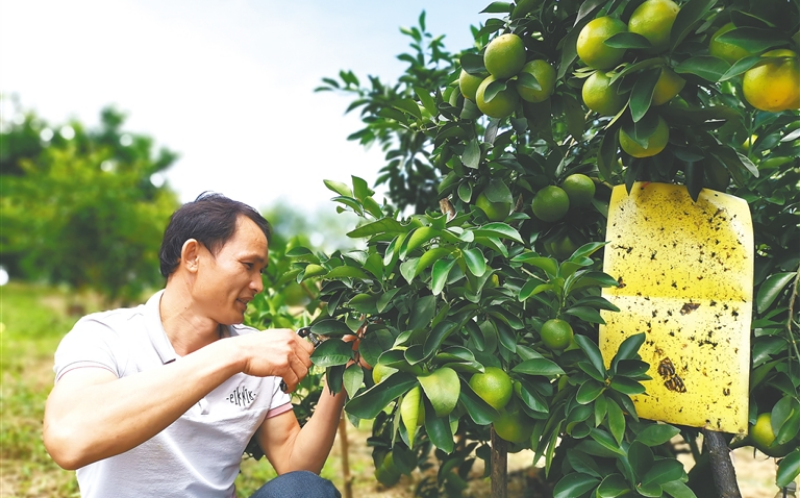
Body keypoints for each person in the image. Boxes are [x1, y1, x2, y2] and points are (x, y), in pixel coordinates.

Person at [43, 193, 345, 498]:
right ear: (192, 256)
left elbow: (296, 466)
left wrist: (341, 372)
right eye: (248, 265)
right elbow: (69, 438)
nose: (258, 285)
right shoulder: (106, 335)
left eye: (261, 271)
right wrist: (234, 354)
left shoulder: (255, 351)